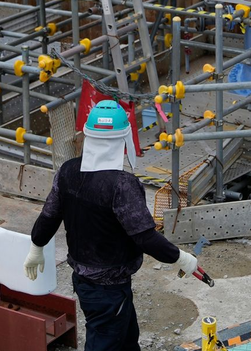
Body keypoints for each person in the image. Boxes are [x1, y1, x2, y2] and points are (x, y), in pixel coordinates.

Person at [24, 100, 200, 351]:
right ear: (123, 140)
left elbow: (50, 215)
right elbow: (145, 238)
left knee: (127, 335)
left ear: (87, 135)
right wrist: (181, 258)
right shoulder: (121, 185)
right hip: (108, 287)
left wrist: (36, 247)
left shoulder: (68, 171)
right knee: (105, 339)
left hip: (86, 280)